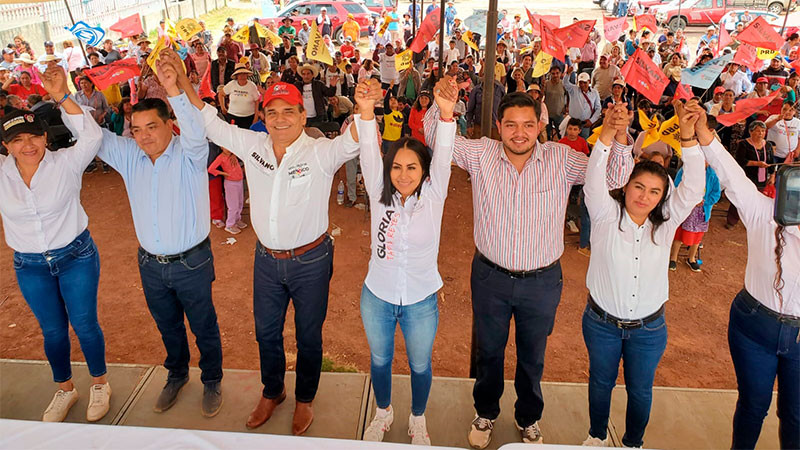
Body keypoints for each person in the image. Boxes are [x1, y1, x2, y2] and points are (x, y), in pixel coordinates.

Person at [171, 44, 378, 433]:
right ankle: (273, 391)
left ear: (302, 115)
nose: (280, 119)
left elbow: (352, 142)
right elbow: (212, 123)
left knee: (308, 335)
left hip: (311, 261)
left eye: (288, 111)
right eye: (273, 112)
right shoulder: (253, 146)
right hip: (266, 261)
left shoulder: (319, 153)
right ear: (263, 116)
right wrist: (182, 81)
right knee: (266, 332)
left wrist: (365, 110)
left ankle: (304, 399)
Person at [423, 77, 633, 448]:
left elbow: (614, 176)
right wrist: (442, 109)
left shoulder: (561, 159)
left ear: (540, 125)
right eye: (511, 125)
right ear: (498, 126)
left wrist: (618, 136)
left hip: (542, 282)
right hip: (490, 277)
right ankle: (486, 413)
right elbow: (437, 141)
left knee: (532, 356)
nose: (519, 133)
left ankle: (528, 418)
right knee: (489, 351)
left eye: (527, 125)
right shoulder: (481, 153)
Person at [94, 53, 224, 418]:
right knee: (167, 325)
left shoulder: (190, 154)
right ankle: (177, 374)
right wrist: (62, 97)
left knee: (203, 325)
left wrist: (174, 88)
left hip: (192, 262)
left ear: (170, 125)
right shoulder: (129, 156)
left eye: (151, 126)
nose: (144, 136)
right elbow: (93, 137)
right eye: (136, 130)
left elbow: (196, 129)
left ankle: (212, 380)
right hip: (150, 265)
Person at [579, 95, 705, 447]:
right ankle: (596, 437)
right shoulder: (604, 215)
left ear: (663, 196)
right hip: (601, 324)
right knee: (600, 383)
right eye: (638, 187)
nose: (644, 196)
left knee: (640, 390)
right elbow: (593, 180)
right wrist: (607, 133)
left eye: (654, 191)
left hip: (649, 329)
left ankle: (633, 442)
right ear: (626, 186)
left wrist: (688, 137)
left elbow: (694, 187)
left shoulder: (666, 225)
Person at [686, 100, 799, 450]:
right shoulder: (764, 212)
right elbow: (729, 172)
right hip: (754, 326)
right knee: (753, 406)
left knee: (796, 415)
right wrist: (703, 130)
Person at [0, 67, 110, 424]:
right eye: (17, 140)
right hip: (30, 265)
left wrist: (61, 94)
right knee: (52, 330)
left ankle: (100, 383)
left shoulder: (66, 163)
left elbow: (91, 136)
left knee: (85, 324)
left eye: (34, 136)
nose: (28, 145)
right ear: (6, 146)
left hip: (76, 256)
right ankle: (65, 388)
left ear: (45, 137)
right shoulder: (2, 172)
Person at [359, 77, 456, 446]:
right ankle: (383, 412)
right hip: (377, 296)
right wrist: (366, 112)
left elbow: (444, 153)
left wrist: (446, 114)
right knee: (380, 360)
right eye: (396, 167)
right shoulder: (378, 193)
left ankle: (418, 418)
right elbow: (369, 151)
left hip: (420, 300)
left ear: (424, 171)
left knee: (419, 364)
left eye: (412, 167)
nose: (403, 175)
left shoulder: (434, 195)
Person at [669, 160, 721, 273]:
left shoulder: (713, 175)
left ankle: (691, 258)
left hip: (702, 210)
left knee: (697, 236)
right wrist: (689, 199)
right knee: (679, 234)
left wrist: (705, 201)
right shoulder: (685, 170)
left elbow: (716, 193)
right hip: (686, 208)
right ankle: (673, 258)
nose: (704, 161)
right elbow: (677, 186)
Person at [207, 147, 247, 234]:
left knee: (240, 202)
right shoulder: (221, 157)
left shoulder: (233, 154)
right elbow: (211, 169)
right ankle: (230, 224)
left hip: (239, 181)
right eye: (225, 147)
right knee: (233, 205)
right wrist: (224, 173)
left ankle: (237, 219)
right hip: (231, 183)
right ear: (221, 147)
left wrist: (234, 154)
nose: (228, 149)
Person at [219, 63, 260, 128]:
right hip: (233, 116)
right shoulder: (231, 84)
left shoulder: (252, 86)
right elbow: (221, 94)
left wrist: (256, 117)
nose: (242, 76)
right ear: (236, 76)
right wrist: (223, 108)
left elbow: (257, 101)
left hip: (249, 117)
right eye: (240, 74)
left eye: (244, 74)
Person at [564, 69, 601, 138]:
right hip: (573, 123)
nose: (582, 85)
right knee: (571, 140)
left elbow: (598, 108)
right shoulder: (574, 90)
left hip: (585, 123)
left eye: (584, 82)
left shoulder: (595, 93)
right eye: (580, 83)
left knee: (584, 140)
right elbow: (565, 83)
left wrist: (591, 121)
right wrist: (567, 74)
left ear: (589, 81)